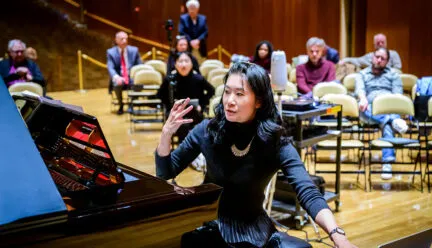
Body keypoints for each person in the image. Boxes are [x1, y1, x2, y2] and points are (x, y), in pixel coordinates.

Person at [155, 62, 356, 247]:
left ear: (258, 101)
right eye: (227, 92)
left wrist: (338, 235)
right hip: (211, 224)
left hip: (254, 227)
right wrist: (166, 134)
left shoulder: (274, 141)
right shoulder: (207, 130)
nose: (230, 101)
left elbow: (307, 191)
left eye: (240, 94)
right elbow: (165, 172)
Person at [355, 47, 407, 180]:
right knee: (365, 107)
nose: (378, 60)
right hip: (368, 110)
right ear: (372, 56)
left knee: (387, 125)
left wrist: (388, 108)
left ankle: (387, 164)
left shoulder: (393, 75)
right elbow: (360, 90)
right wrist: (363, 98)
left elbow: (397, 96)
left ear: (387, 61)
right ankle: (392, 121)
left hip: (388, 107)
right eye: (377, 56)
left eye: (382, 58)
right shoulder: (362, 74)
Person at [157, 51, 214, 142]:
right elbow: (160, 94)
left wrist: (201, 105)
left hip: (194, 112)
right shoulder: (170, 79)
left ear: (191, 63)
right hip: (175, 114)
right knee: (182, 124)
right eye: (180, 61)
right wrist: (169, 107)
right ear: (175, 64)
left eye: (186, 61)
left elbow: (211, 90)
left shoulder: (198, 78)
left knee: (191, 123)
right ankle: (185, 149)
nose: (183, 64)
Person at [106, 31, 142, 115]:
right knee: (117, 84)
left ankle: (131, 104)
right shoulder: (110, 52)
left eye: (126, 39)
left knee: (140, 84)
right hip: (119, 78)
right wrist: (116, 77)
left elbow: (140, 65)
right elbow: (110, 67)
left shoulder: (134, 50)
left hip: (131, 77)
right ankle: (121, 105)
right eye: (122, 39)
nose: (125, 41)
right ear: (116, 40)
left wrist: (136, 76)